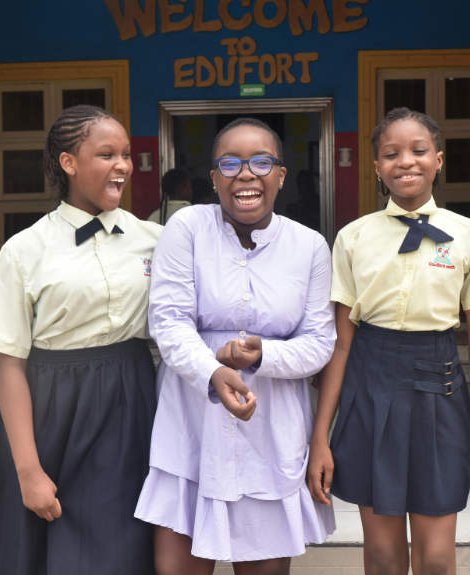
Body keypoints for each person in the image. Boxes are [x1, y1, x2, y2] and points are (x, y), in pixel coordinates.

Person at [136, 118, 336, 575]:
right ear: (214, 178)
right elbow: (169, 320)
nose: (245, 174)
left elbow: (319, 342)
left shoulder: (309, 247)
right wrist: (212, 370)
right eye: (230, 164)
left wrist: (263, 355)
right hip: (192, 423)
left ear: (280, 175)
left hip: (272, 431)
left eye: (261, 162)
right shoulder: (186, 227)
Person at [0, 105, 161, 575]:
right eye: (106, 154)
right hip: (51, 411)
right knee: (43, 547)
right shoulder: (24, 250)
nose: (122, 165)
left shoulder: (156, 240)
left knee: (121, 549)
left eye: (126, 154)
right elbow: (8, 362)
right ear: (68, 163)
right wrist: (28, 470)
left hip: (132, 402)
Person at [308, 107, 470, 575]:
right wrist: (320, 437)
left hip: (440, 386)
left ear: (438, 159)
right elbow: (342, 345)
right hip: (370, 384)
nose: (406, 162)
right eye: (391, 153)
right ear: (377, 167)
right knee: (382, 557)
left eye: (419, 151)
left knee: (436, 559)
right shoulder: (353, 237)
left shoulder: (464, 235)